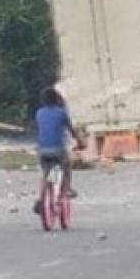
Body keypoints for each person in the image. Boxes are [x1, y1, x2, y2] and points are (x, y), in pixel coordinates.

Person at [33, 87, 84, 215]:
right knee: (66, 167)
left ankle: (41, 198)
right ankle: (64, 193)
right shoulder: (62, 113)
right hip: (58, 149)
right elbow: (72, 131)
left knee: (47, 173)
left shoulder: (39, 113)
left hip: (42, 150)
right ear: (57, 99)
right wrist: (81, 142)